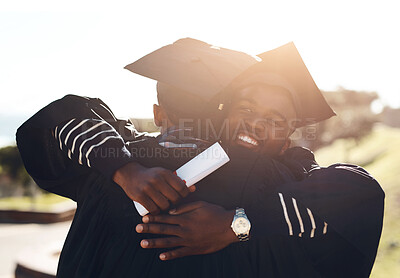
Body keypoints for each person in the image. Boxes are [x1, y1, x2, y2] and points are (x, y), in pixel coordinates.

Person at [16, 39, 384, 277]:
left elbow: (360, 192)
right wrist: (126, 169)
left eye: (275, 121)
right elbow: (62, 118)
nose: (257, 123)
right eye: (247, 108)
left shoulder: (288, 175)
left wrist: (234, 224)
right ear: (223, 115)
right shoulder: (278, 181)